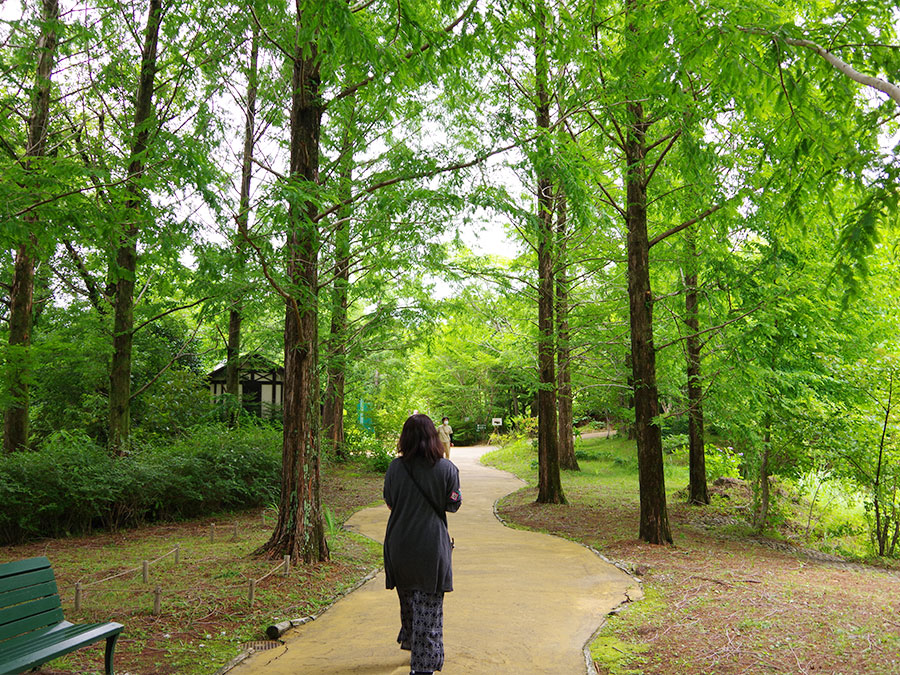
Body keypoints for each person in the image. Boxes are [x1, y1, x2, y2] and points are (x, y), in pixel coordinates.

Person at [383, 414, 462, 675]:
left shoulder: (395, 468)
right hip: (431, 547)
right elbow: (453, 505)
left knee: (408, 601)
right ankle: (423, 667)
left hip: (399, 545)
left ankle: (411, 642)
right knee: (429, 609)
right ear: (434, 437)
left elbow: (390, 501)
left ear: (405, 438)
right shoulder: (447, 469)